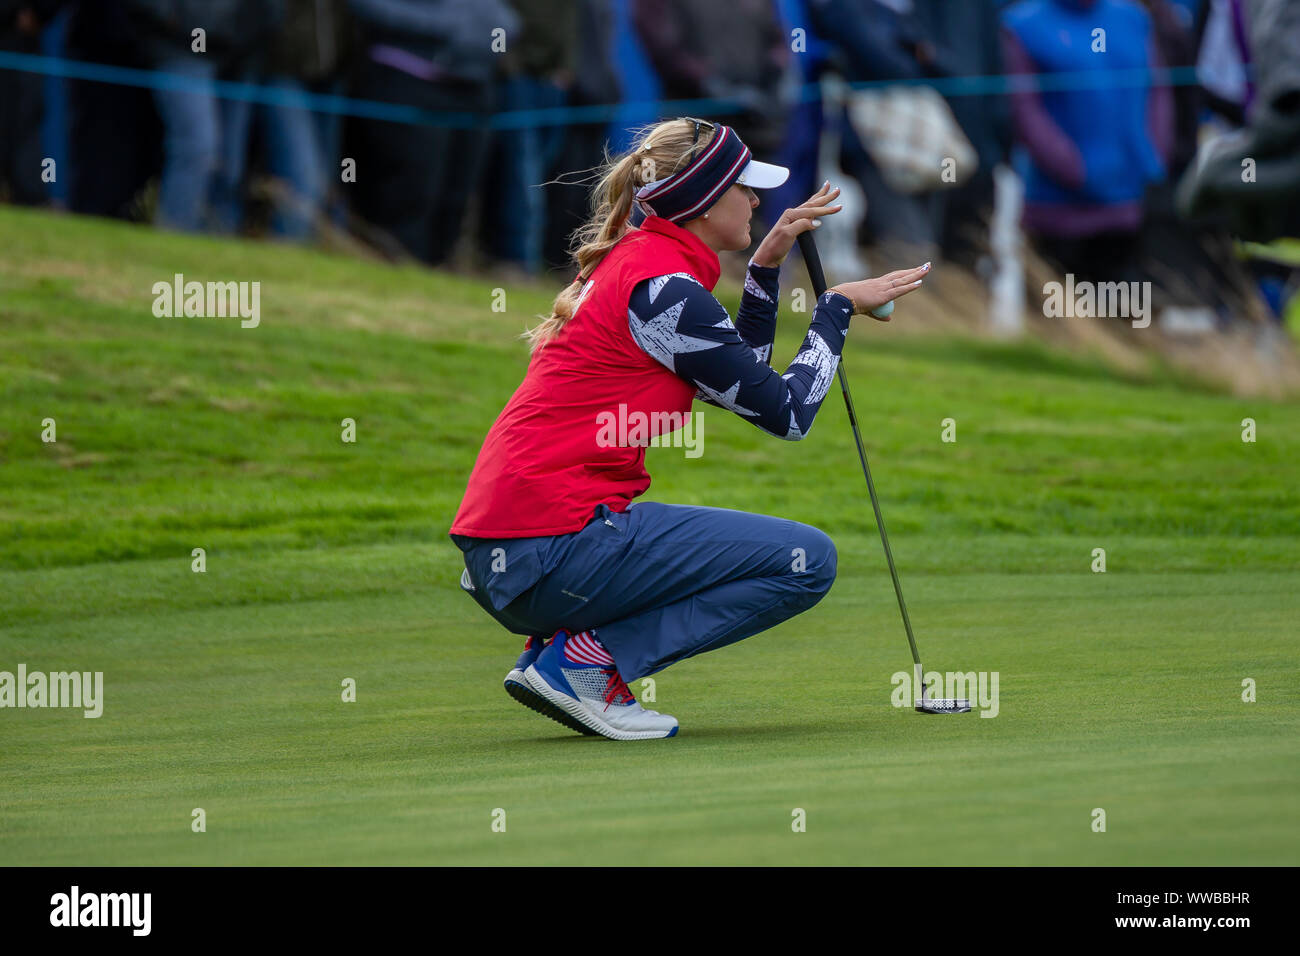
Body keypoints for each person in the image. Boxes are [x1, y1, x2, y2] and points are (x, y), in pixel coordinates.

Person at [449, 117, 929, 740]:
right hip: (550, 546)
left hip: (516, 551)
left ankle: (557, 654)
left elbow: (740, 378)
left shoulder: (641, 266)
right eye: (744, 188)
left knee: (783, 553)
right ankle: (581, 665)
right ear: (703, 200)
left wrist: (763, 272)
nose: (757, 201)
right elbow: (786, 414)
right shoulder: (662, 289)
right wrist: (835, 311)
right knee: (806, 561)